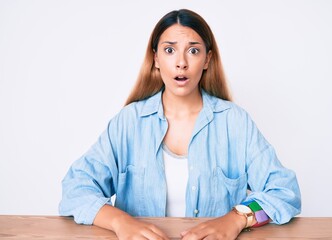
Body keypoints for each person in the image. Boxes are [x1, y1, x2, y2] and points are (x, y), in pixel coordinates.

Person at [59, 9, 301, 240]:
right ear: (155, 59)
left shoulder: (235, 122)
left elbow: (284, 192)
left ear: (207, 59)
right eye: (169, 50)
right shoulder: (128, 122)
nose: (181, 63)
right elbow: (75, 189)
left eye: (193, 51)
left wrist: (236, 219)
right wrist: (120, 222)